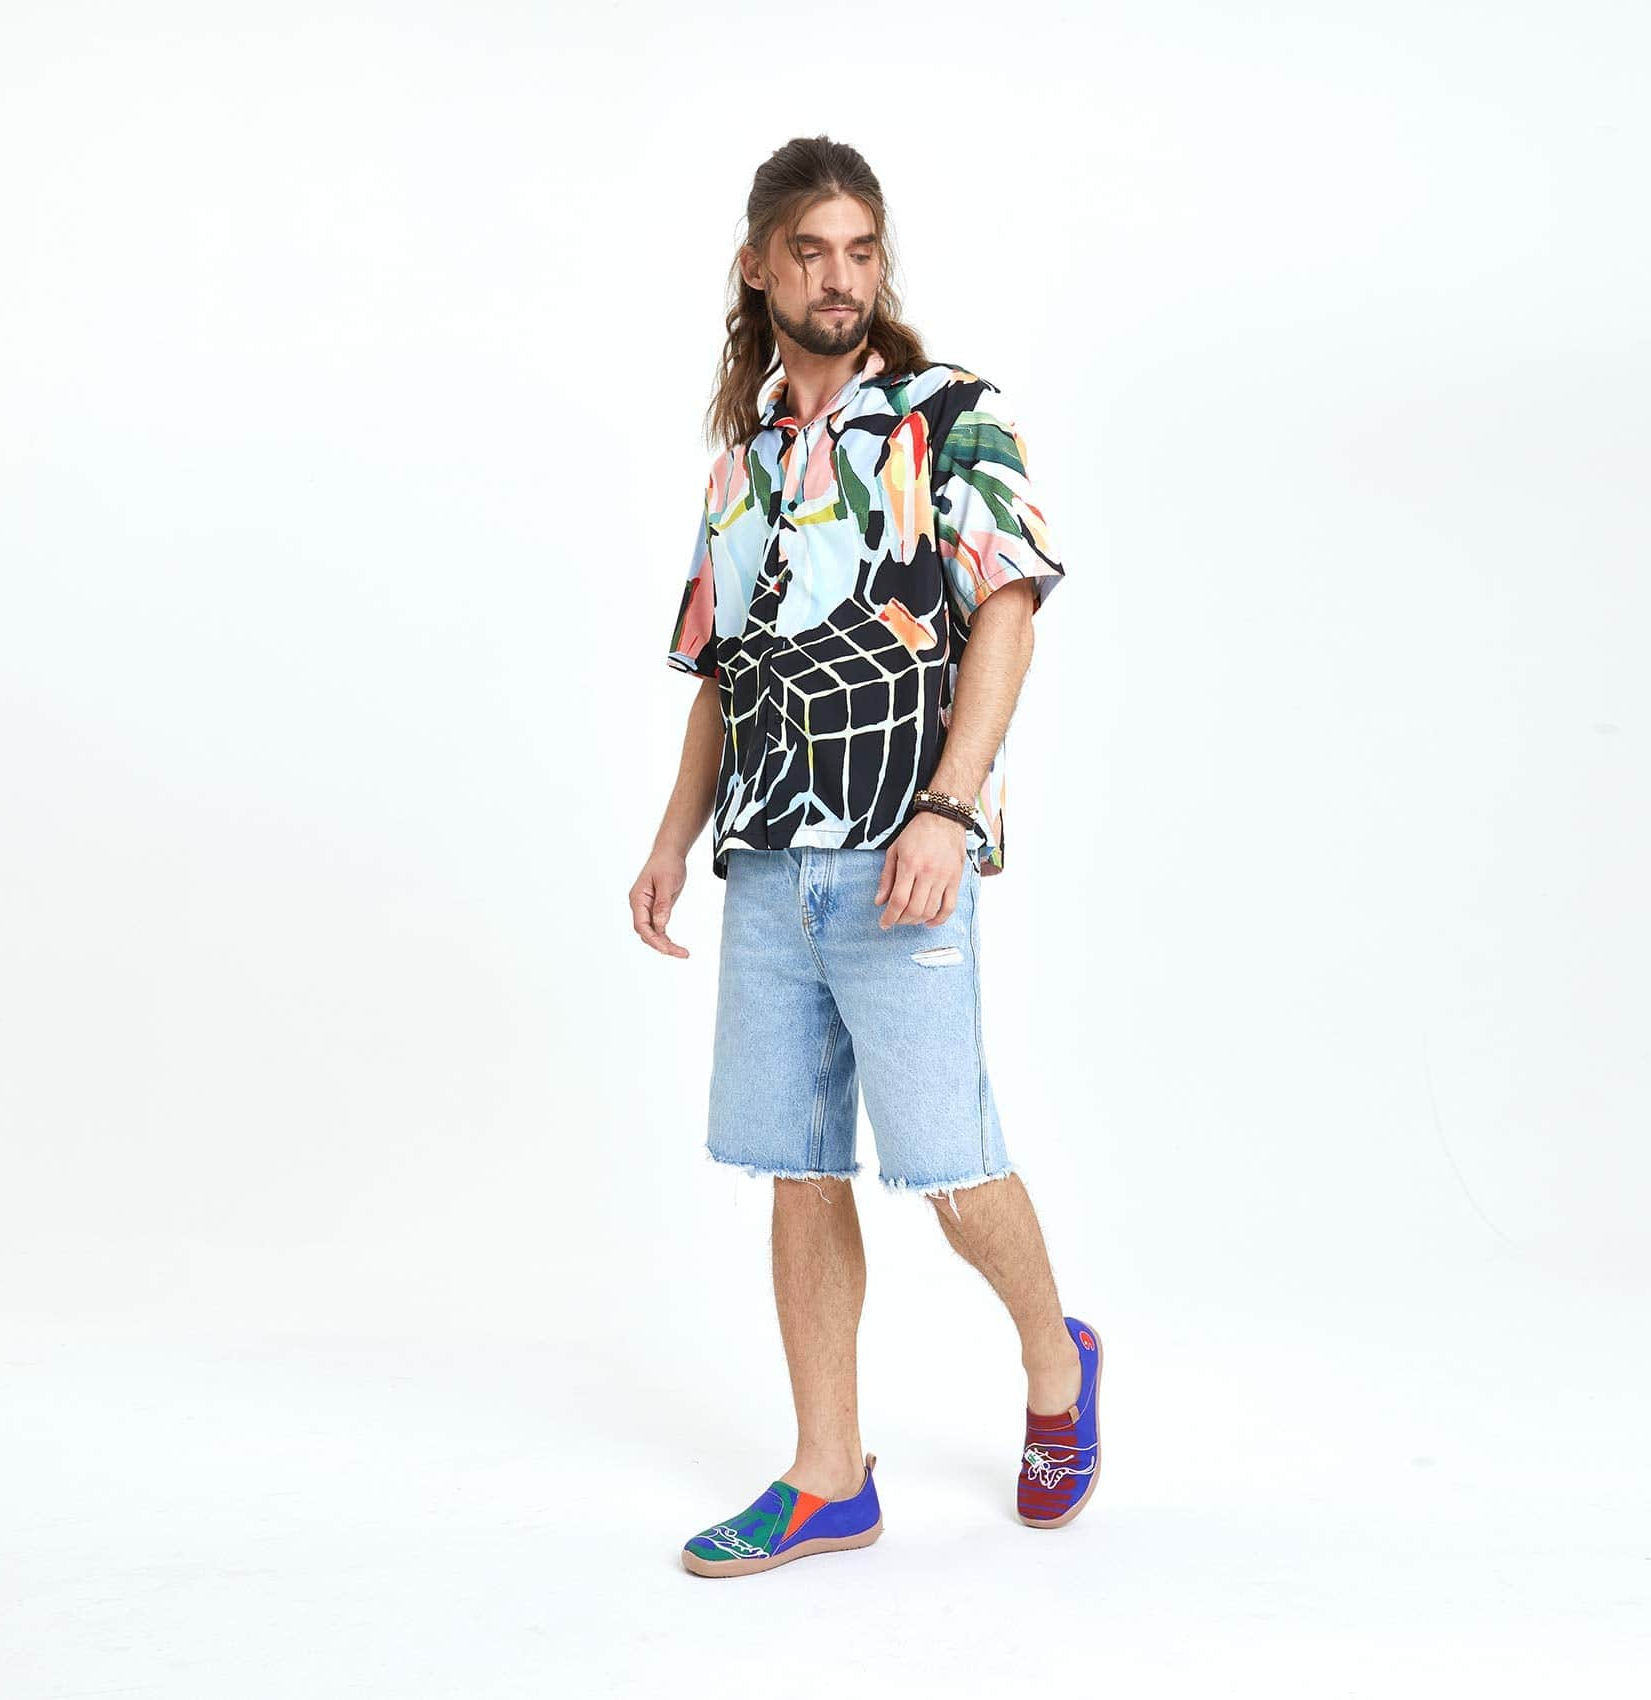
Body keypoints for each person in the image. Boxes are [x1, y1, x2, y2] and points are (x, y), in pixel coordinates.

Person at [629, 135, 1100, 1577]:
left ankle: (1058, 1364)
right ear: (758, 267)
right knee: (797, 1165)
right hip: (770, 863)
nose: (840, 278)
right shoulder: (743, 465)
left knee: (951, 1170)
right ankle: (830, 1476)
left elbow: (1007, 610)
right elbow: (723, 671)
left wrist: (949, 811)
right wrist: (670, 840)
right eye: (811, 251)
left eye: (862, 250)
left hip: (906, 856)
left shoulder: (952, 417)